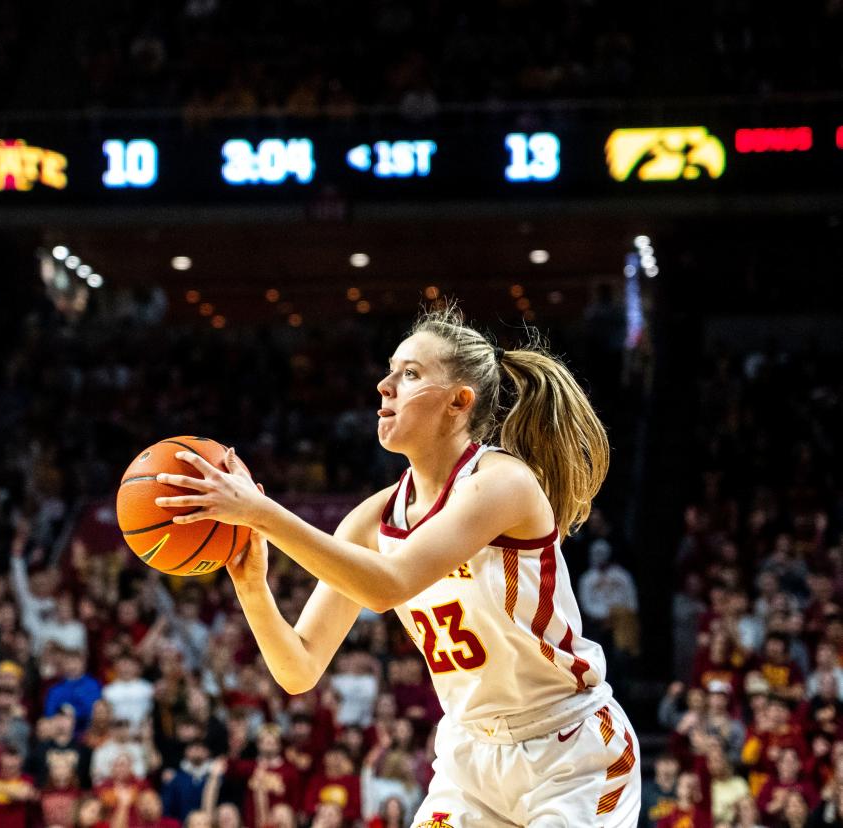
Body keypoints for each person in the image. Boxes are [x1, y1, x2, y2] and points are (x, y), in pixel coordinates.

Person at [155, 307, 642, 825]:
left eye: (409, 373)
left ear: (459, 401)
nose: (384, 385)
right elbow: (298, 669)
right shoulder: (371, 520)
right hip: (469, 758)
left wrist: (259, 511)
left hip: (570, 753)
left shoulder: (501, 482)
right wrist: (251, 586)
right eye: (390, 369)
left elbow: (389, 584)